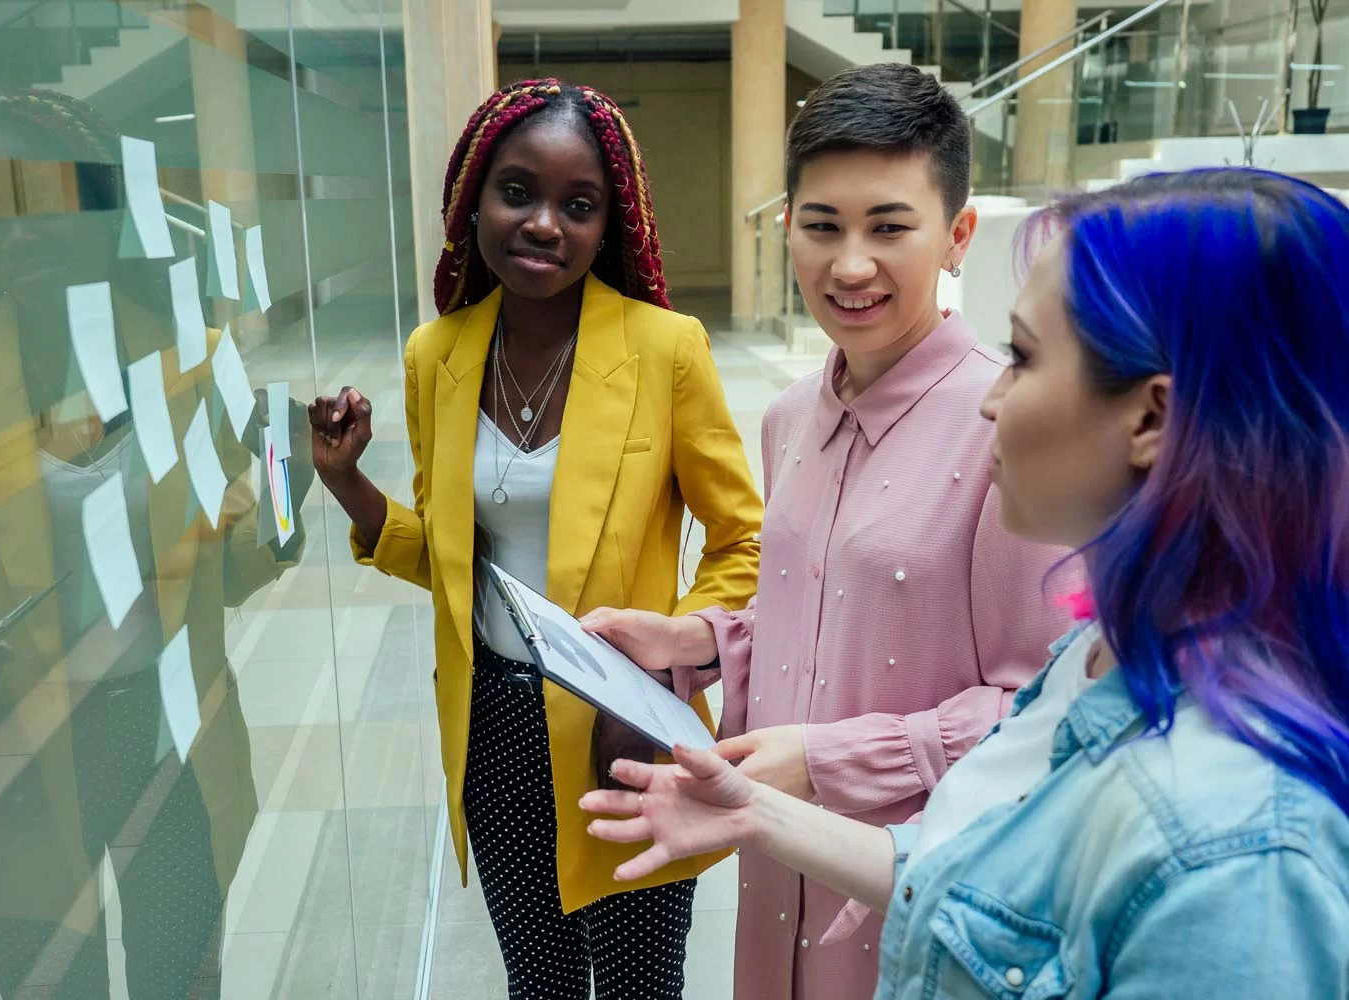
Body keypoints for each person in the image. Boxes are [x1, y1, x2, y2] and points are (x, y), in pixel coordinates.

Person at [582, 167, 1349, 997]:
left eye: (1022, 357)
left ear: (1153, 419)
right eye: (821, 225)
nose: (991, 401)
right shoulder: (1099, 656)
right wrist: (754, 803)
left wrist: (826, 763)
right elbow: (981, 862)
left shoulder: (1235, 855)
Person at [582, 64, 1073, 998]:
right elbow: (820, 620)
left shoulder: (1009, 427)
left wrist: (822, 760)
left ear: (958, 235)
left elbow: (1045, 714)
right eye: (823, 227)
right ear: (785, 228)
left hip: (906, 898)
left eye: (890, 227)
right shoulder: (789, 417)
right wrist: (698, 640)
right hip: (772, 882)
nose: (851, 265)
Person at [0, 91, 312, 999]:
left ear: (101, 211)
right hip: (16, 740)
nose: (13, 238)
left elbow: (229, 559)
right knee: (49, 985)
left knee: (178, 978)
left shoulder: (193, 353)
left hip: (170, 726)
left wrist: (294, 491)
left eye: (39, 205)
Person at [307, 79, 762, 999]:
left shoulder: (666, 349)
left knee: (640, 983)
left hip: (619, 726)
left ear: (608, 226)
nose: (545, 223)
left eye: (578, 205)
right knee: (541, 983)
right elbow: (447, 556)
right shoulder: (437, 355)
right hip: (493, 728)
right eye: (519, 191)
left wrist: (675, 663)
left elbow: (742, 541)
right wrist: (347, 483)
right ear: (472, 197)